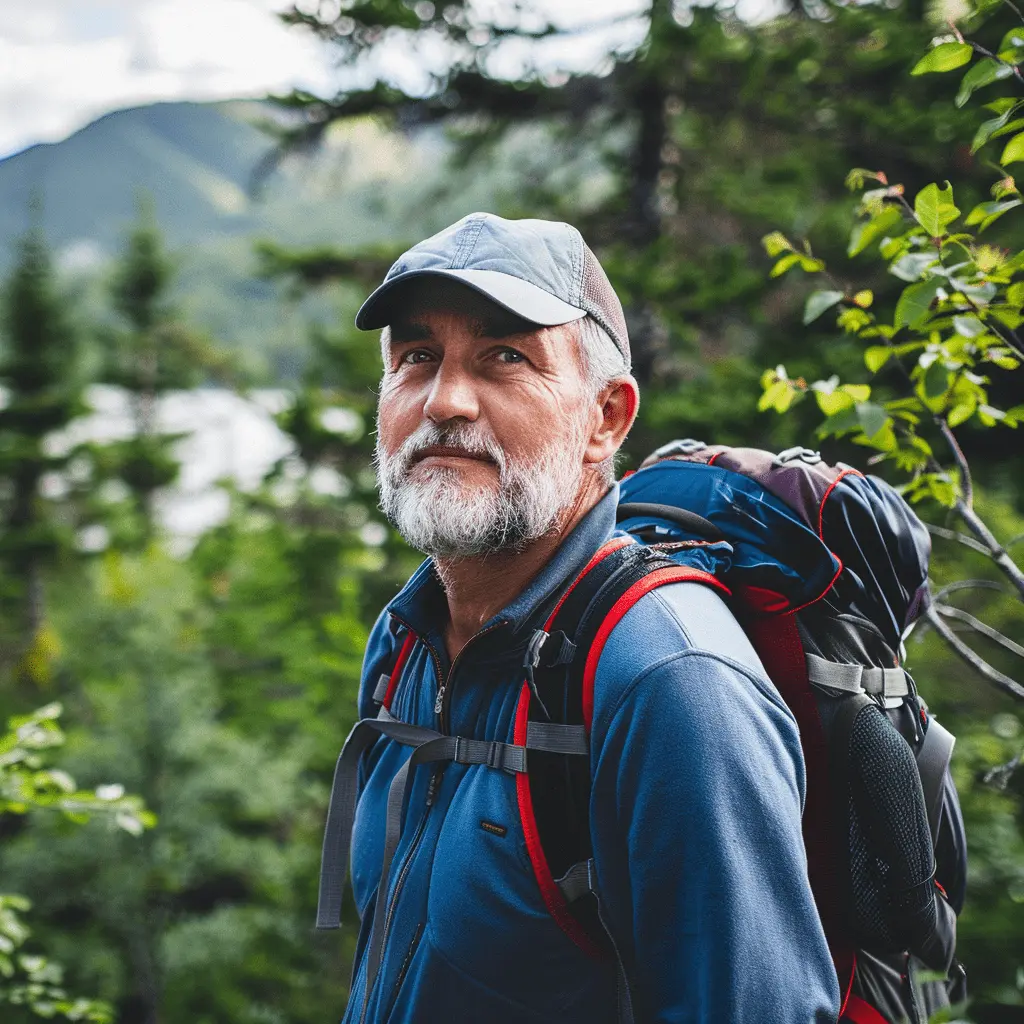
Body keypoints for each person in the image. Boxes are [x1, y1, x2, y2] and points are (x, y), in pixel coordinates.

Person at [330, 211, 840, 1022]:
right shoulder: (406, 643)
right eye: (416, 357)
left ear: (606, 417)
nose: (446, 401)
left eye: (505, 356)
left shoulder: (670, 683)